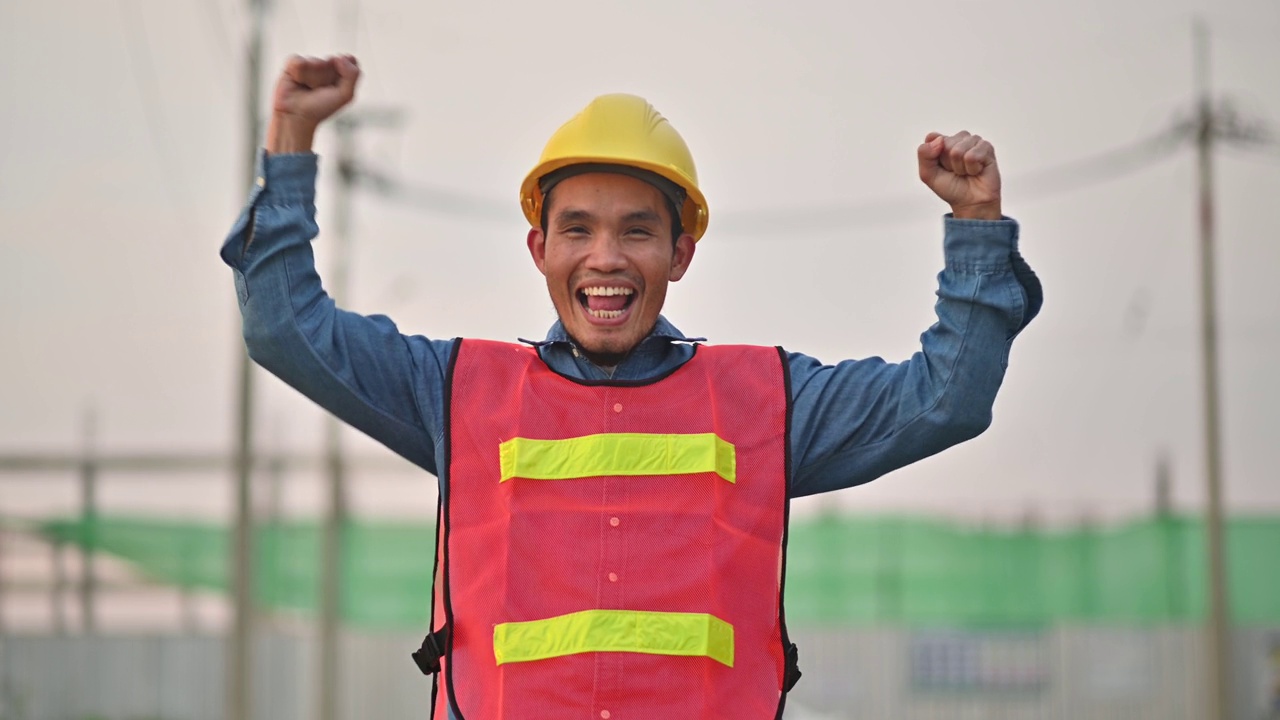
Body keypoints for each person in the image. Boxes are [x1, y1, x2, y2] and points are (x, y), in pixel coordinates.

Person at [220, 54, 1042, 719]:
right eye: (578, 229)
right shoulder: (457, 388)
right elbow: (284, 328)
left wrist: (976, 227)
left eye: (637, 231)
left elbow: (947, 398)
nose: (605, 257)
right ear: (539, 247)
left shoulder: (769, 400)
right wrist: (291, 138)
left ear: (680, 256)